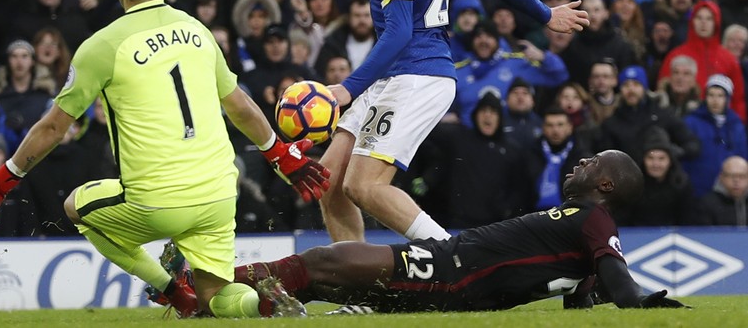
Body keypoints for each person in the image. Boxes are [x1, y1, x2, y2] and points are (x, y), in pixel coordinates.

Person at [0, 0, 328, 319]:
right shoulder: (197, 30)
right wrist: (280, 153)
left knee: (75, 206)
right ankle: (262, 301)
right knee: (217, 298)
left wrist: (1, 180)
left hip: (156, 202)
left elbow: (54, 127)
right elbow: (240, 106)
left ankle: (171, 289)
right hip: (219, 194)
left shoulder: (103, 46)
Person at [322, 0, 589, 243]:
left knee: (365, 187)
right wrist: (545, 14)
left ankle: (458, 263)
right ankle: (352, 288)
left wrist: (347, 88)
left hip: (416, 74)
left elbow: (398, 34)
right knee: (328, 181)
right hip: (402, 74)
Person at [232, 150, 686, 313]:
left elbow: (619, 283)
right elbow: (583, 289)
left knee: (324, 260)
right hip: (459, 275)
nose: (580, 163)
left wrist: (648, 302)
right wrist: (590, 292)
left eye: (592, 163)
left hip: (453, 266)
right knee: (326, 282)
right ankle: (236, 304)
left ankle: (212, 282)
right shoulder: (580, 230)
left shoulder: (594, 221)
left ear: (606, 185)